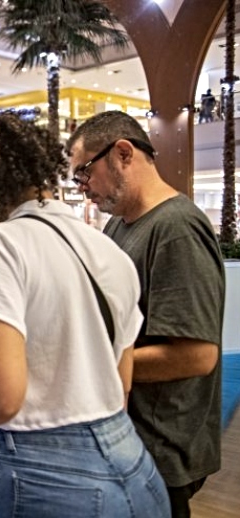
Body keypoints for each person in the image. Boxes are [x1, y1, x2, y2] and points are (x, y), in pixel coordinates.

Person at [0, 112, 169, 518]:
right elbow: (120, 383)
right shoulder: (106, 249)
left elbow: (1, 401)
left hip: (45, 476)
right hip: (134, 464)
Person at [67, 110, 224, 518]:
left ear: (123, 153)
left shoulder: (177, 228)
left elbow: (197, 355)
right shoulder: (120, 226)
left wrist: (92, 365)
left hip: (161, 446)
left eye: (85, 172)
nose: (83, 188)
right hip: (126, 436)